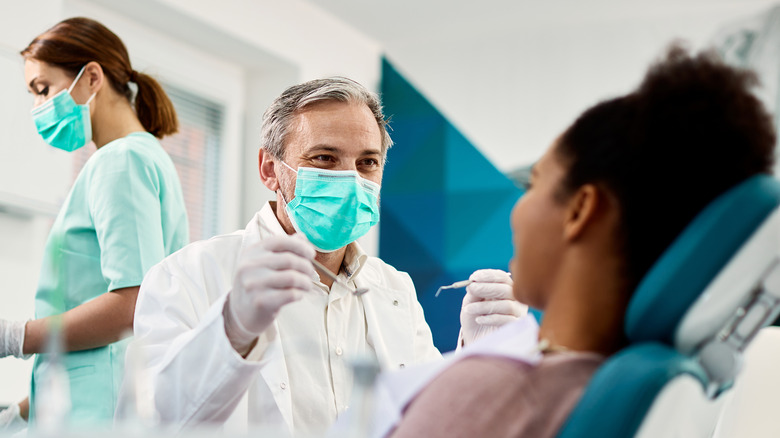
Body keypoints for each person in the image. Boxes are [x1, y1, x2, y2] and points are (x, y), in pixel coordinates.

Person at [380, 46, 776, 438]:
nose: (516, 212)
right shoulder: (629, 389)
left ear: (581, 209)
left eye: (534, 183)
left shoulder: (493, 392)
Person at [117, 77, 526, 436]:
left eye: (368, 162)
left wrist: (477, 354)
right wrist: (233, 329)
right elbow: (151, 424)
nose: (350, 179)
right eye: (324, 159)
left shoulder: (394, 288)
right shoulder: (188, 275)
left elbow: (425, 420)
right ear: (269, 170)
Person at [0, 17, 189, 429]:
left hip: (100, 413)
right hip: (90, 405)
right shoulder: (145, 158)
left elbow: (132, 305)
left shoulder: (120, 161)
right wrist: (23, 412)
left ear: (90, 78)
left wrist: (16, 337)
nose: (38, 107)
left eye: (43, 89)